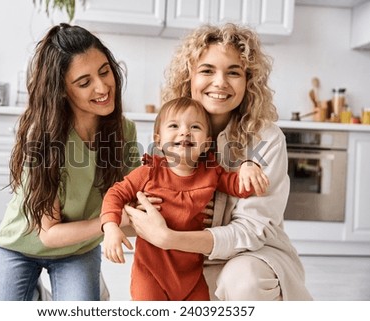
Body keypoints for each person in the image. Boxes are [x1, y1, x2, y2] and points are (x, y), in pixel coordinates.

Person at [124, 23, 313, 301]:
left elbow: (250, 232)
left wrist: (169, 238)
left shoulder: (266, 139)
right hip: (180, 261)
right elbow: (136, 206)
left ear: (249, 81)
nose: (220, 82)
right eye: (207, 70)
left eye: (233, 72)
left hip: (251, 255)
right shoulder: (170, 132)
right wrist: (138, 212)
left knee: (243, 279)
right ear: (189, 76)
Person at [0, 23, 140, 301]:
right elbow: (49, 235)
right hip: (19, 246)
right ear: (63, 90)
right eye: (84, 82)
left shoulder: (124, 131)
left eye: (104, 72)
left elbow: (132, 211)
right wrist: (110, 221)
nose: (103, 87)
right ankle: (38, 295)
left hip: (77, 250)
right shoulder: (43, 137)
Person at [101, 96, 270, 301]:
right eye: (174, 125)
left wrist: (249, 166)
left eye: (195, 127)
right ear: (158, 140)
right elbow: (115, 194)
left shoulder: (211, 173)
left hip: (191, 275)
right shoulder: (149, 172)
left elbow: (240, 188)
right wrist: (110, 227)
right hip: (151, 274)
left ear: (207, 143)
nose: (184, 131)